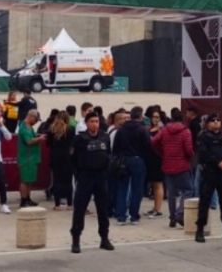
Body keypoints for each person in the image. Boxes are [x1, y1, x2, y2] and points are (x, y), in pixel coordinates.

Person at [70, 111, 115, 253]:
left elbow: (108, 154)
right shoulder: (79, 139)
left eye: (96, 121)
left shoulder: (105, 137)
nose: (94, 124)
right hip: (85, 177)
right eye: (91, 121)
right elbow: (73, 159)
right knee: (80, 209)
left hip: (101, 177)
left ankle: (104, 239)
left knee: (102, 209)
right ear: (86, 123)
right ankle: (76, 240)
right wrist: (79, 175)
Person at [194, 113, 222, 243]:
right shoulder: (203, 137)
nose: (216, 122)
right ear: (208, 123)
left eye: (218, 120)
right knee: (205, 202)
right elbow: (204, 154)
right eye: (213, 120)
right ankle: (200, 230)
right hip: (210, 173)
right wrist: (218, 161)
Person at [152, 109, 194, 228]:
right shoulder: (186, 131)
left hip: (167, 165)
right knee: (188, 190)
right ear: (182, 119)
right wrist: (190, 157)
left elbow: (154, 141)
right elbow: (188, 150)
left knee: (171, 193)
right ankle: (179, 213)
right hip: (182, 165)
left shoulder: (164, 130)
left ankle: (172, 218)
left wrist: (161, 152)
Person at [113, 107, 151, 224]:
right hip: (138, 160)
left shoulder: (121, 129)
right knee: (137, 189)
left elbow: (116, 147)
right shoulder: (142, 129)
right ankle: (134, 216)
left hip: (123, 160)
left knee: (122, 188)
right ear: (140, 116)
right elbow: (148, 146)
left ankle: (121, 216)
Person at [48, 111, 75, 209]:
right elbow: (73, 144)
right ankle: (70, 204)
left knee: (56, 180)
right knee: (68, 181)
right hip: (67, 157)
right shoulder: (70, 129)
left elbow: (48, 143)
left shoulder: (52, 129)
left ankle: (57, 204)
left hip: (55, 156)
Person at [18, 109, 45, 208]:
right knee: (25, 180)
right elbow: (29, 141)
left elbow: (31, 137)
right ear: (31, 117)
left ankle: (28, 198)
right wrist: (40, 139)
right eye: (36, 120)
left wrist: (38, 136)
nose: (36, 122)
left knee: (29, 180)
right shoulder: (24, 127)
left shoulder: (29, 127)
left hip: (31, 157)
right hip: (26, 158)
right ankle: (23, 200)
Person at [144, 108, 165, 218]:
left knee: (158, 183)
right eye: (154, 117)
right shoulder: (148, 128)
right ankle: (154, 208)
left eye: (158, 117)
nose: (156, 119)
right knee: (153, 184)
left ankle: (158, 209)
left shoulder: (162, 130)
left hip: (158, 159)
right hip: (150, 159)